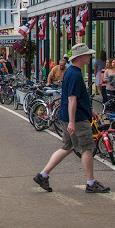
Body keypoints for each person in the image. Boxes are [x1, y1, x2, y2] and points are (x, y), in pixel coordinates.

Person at [34, 43, 110, 194]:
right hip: (77, 118)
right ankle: (90, 182)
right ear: (80, 57)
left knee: (68, 146)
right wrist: (73, 122)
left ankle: (43, 174)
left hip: (70, 116)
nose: (90, 57)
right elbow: (72, 99)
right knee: (87, 147)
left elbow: (77, 98)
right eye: (88, 54)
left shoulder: (71, 72)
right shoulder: (75, 75)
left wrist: (90, 111)